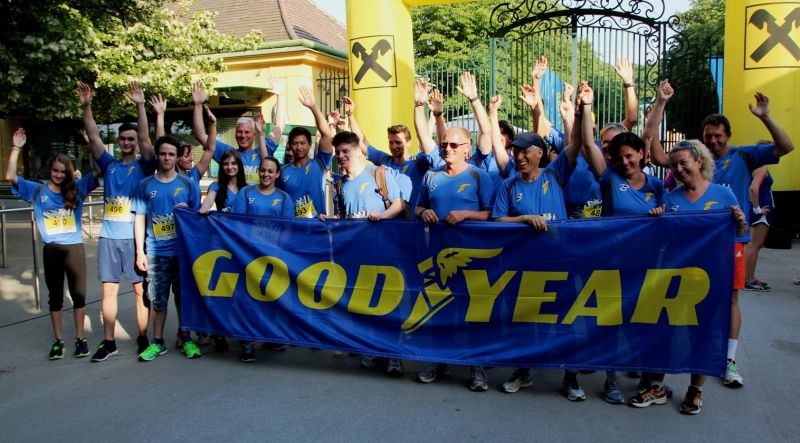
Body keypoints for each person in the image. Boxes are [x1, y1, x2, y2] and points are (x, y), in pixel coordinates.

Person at [648, 92, 794, 388]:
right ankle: (683, 359)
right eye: (707, 137)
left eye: (718, 136)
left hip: (730, 243)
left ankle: (727, 359)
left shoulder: (743, 156)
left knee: (729, 300)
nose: (714, 141)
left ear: (728, 136)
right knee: (689, 301)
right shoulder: (686, 165)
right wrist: (659, 105)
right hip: (693, 248)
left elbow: (786, 146)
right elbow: (655, 154)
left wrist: (765, 116)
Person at [490, 84, 586, 399]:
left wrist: (581, 108)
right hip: (524, 265)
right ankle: (524, 370)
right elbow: (497, 220)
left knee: (567, 317)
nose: (518, 156)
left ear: (539, 154)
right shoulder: (507, 185)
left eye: (525, 151)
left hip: (560, 259)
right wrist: (523, 219)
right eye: (515, 151)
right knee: (525, 318)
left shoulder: (555, 174)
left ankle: (570, 376)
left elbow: (577, 144)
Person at [648, 139, 747, 414]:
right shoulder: (669, 199)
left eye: (684, 163)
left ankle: (695, 390)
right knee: (665, 330)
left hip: (711, 276)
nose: (679, 169)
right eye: (674, 164)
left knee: (701, 334)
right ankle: (656, 385)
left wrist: (739, 223)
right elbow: (661, 242)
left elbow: (740, 234)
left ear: (699, 162)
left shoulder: (724, 195)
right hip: (677, 276)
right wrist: (657, 220)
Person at [6, 128, 99, 360]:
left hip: (74, 249)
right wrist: (16, 148)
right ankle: (58, 342)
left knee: (79, 296)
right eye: (55, 171)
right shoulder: (37, 190)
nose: (58, 175)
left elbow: (99, 170)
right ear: (50, 170)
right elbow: (11, 177)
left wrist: (91, 145)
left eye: (62, 172)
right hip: (52, 250)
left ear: (68, 172)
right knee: (55, 297)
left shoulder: (77, 189)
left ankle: (80, 339)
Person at [415, 125, 495, 392]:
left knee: (473, 311)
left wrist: (466, 215)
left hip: (472, 256)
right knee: (440, 309)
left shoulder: (479, 176)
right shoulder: (430, 176)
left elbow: (492, 214)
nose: (447, 149)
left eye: (453, 145)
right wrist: (423, 211)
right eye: (444, 144)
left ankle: (477, 368)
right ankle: (437, 361)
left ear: (466, 148)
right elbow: (417, 206)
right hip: (437, 255)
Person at [78, 82, 154, 360]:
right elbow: (95, 136)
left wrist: (140, 105)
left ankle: (144, 338)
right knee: (108, 291)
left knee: (139, 291)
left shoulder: (144, 166)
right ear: (119, 141)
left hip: (134, 239)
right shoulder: (109, 165)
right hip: (109, 238)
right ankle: (108, 342)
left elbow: (147, 141)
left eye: (131, 139)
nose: (128, 142)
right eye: (123, 139)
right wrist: (87, 106)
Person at [321, 131, 406, 374]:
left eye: (346, 151)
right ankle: (374, 351)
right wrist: (330, 219)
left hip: (385, 251)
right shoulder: (340, 184)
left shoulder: (379, 173)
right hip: (356, 255)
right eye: (338, 153)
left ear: (358, 150)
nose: (341, 156)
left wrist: (383, 216)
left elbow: (400, 204)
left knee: (390, 301)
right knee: (365, 302)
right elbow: (345, 217)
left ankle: (394, 354)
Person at [133, 136, 201, 362]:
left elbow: (197, 218)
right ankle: (158, 342)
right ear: (157, 155)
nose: (167, 158)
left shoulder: (188, 184)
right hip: (156, 253)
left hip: (182, 253)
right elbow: (139, 219)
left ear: (177, 157)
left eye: (172, 154)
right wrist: (140, 252)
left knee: (183, 298)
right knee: (158, 299)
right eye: (163, 153)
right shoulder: (145, 185)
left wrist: (187, 212)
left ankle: (186, 338)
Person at [229, 156, 294, 361]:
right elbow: (237, 224)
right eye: (263, 170)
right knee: (248, 300)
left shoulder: (284, 198)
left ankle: (270, 336)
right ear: (259, 172)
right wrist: (248, 249)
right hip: (248, 256)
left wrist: (276, 252)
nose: (266, 174)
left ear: (277, 174)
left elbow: (288, 229)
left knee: (271, 297)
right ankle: (247, 342)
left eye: (270, 171)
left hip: (274, 257)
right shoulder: (245, 193)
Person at [192, 80, 283, 184]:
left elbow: (278, 128)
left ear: (254, 135)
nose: (243, 135)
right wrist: (198, 105)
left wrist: (281, 96)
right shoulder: (228, 153)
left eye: (247, 132)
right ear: (235, 135)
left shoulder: (263, 150)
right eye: (239, 132)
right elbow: (200, 135)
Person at [279, 86, 334, 218]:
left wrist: (313, 107)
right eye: (295, 143)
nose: (299, 147)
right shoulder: (282, 171)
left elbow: (326, 135)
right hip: (292, 228)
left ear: (309, 145)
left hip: (317, 226)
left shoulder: (320, 163)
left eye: (302, 143)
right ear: (289, 145)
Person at [200, 108, 245, 214]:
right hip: (223, 230)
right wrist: (204, 208)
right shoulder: (216, 186)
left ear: (239, 166)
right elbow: (209, 199)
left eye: (234, 163)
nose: (230, 167)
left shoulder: (246, 189)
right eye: (225, 164)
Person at [744, 165, 773, 291]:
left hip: (761, 209)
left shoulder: (755, 169)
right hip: (762, 211)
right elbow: (753, 188)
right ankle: (748, 280)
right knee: (754, 245)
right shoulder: (762, 168)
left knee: (755, 245)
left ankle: (747, 278)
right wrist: (757, 209)